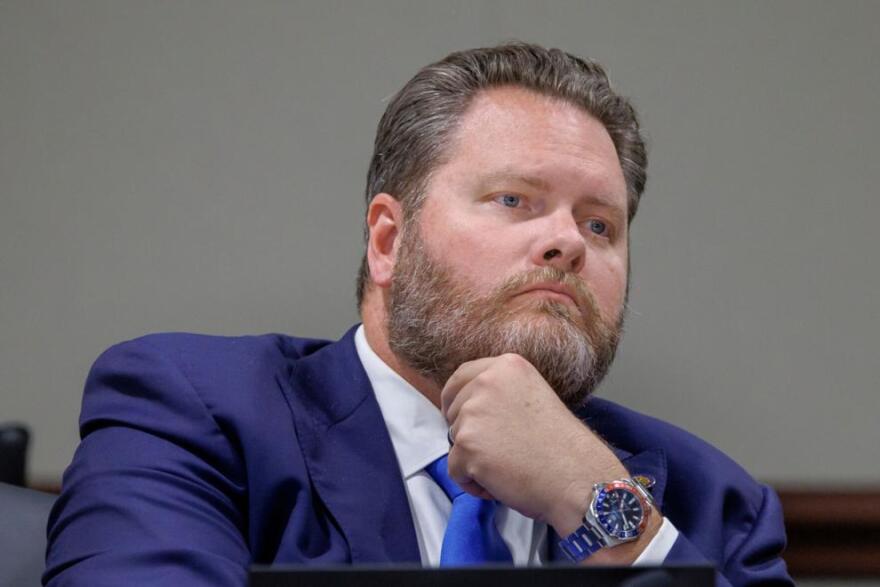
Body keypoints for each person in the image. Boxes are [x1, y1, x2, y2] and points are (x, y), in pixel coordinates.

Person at [43, 43, 793, 586]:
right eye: (515, 200)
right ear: (388, 241)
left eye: (601, 224)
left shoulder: (711, 500)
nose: (567, 240)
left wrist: (597, 505)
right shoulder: (195, 413)